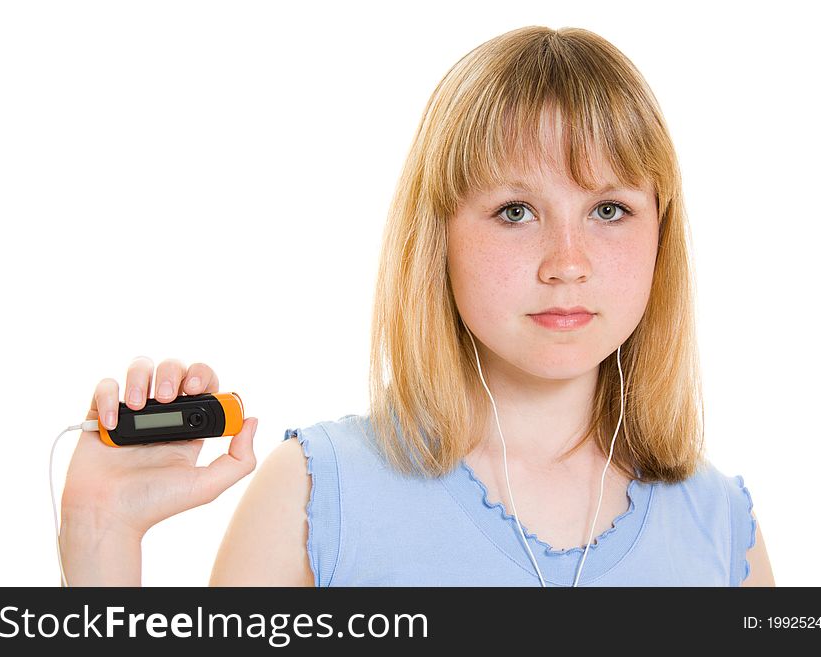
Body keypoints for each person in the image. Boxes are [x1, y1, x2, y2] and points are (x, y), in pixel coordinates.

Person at [59, 25, 775, 587]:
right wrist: (101, 537)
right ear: (440, 237)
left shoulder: (722, 527)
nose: (568, 262)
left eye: (611, 209)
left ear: (662, 236)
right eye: (517, 209)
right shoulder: (315, 494)